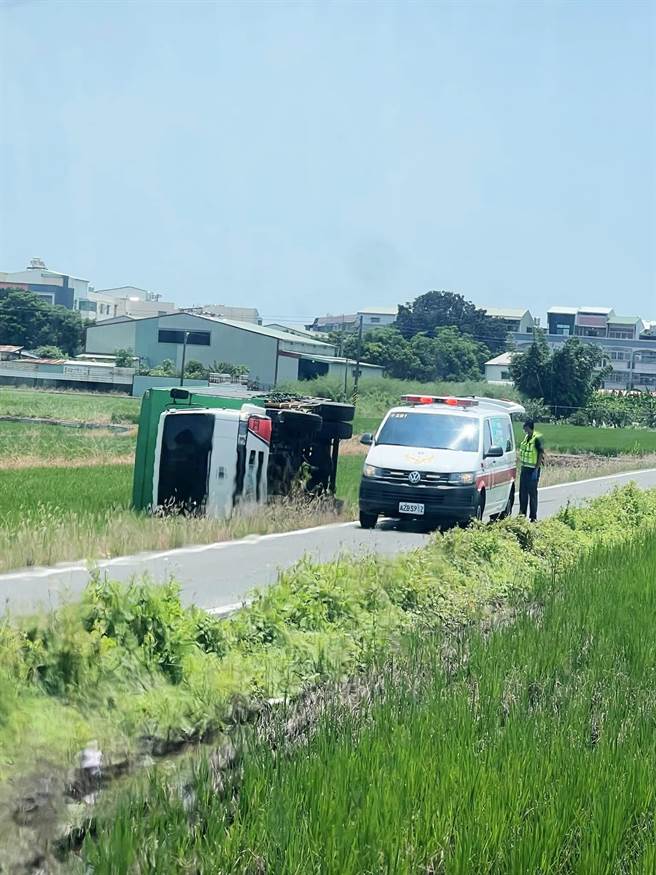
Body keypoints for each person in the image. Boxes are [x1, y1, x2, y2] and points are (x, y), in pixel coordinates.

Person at [518, 419, 544, 522]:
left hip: (533, 470)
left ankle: (533, 517)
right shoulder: (526, 437)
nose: (524, 430)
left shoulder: (537, 438)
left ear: (529, 427)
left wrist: (536, 469)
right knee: (522, 493)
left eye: (525, 428)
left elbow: (541, 454)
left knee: (532, 494)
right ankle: (522, 514)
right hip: (525, 468)